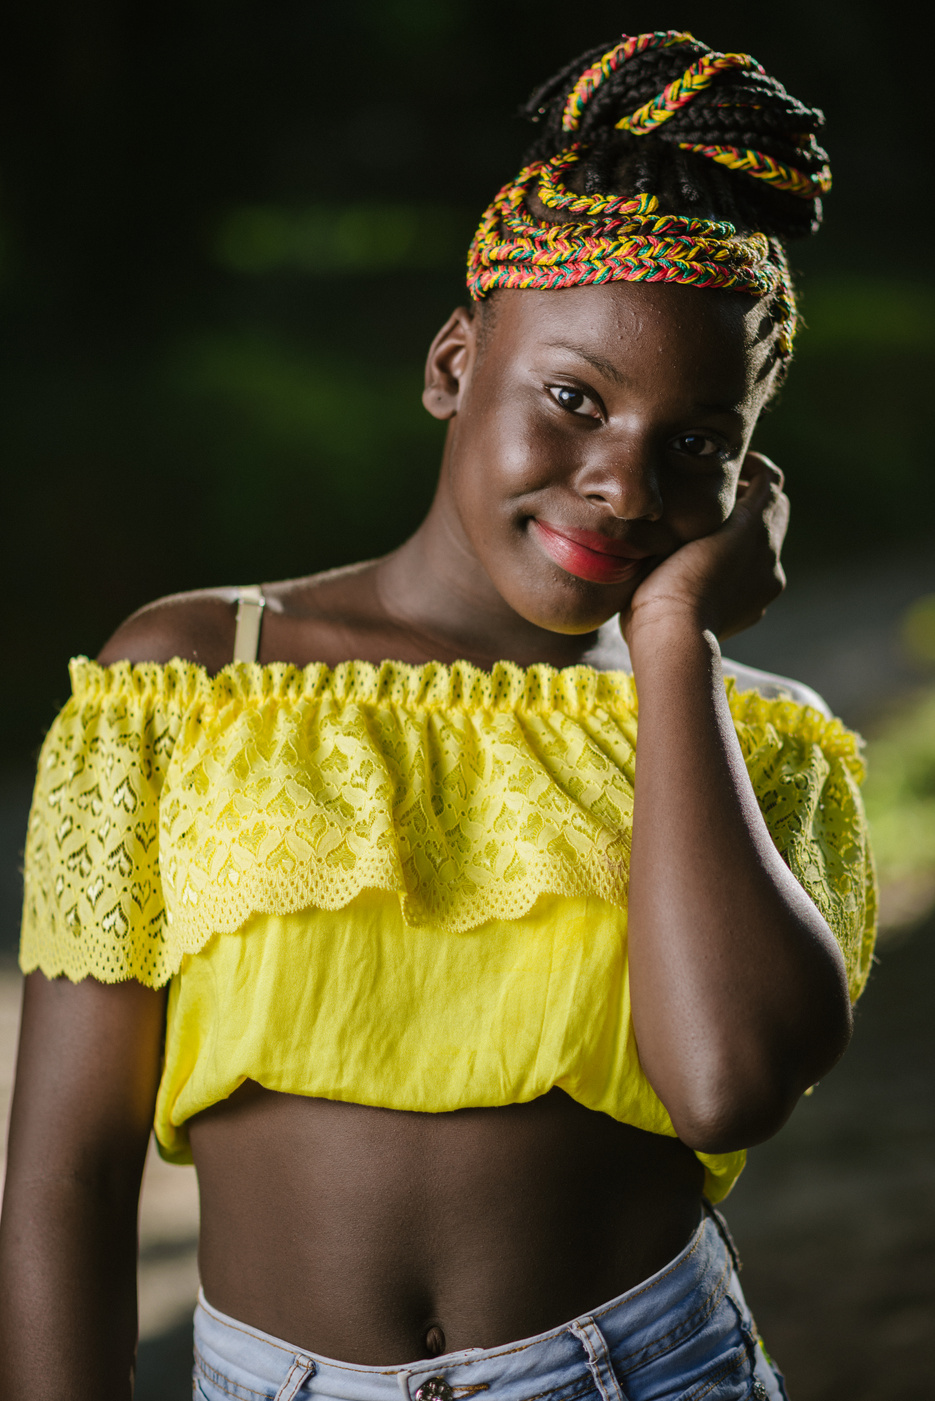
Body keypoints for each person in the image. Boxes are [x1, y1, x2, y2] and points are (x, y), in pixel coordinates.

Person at [0, 28, 876, 1401]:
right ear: (456, 364)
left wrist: (670, 644)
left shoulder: (754, 733)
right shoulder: (188, 679)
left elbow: (724, 1086)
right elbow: (64, 1169)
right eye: (574, 399)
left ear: (751, 473)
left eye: (696, 442)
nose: (625, 484)